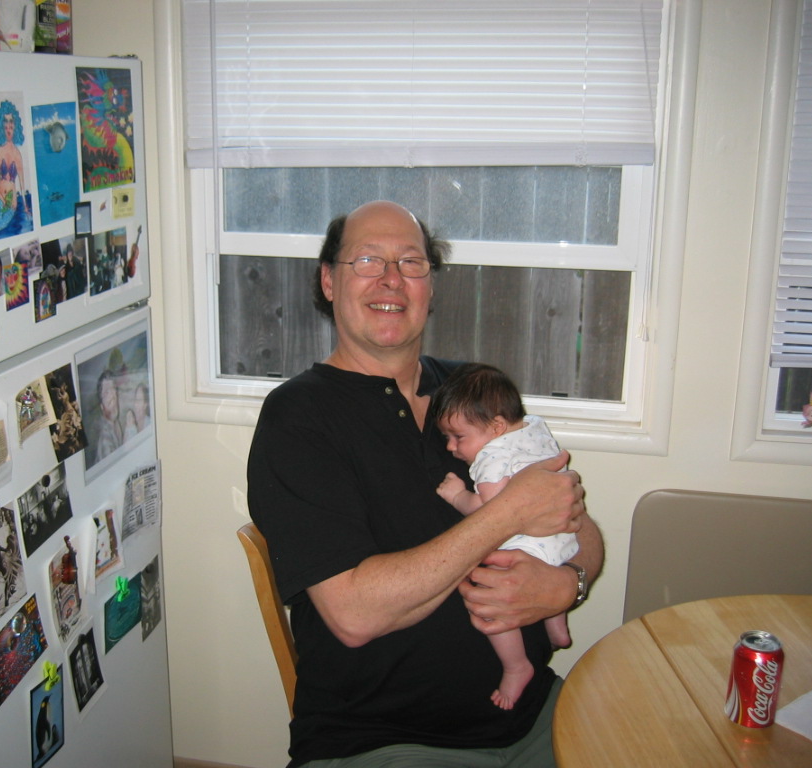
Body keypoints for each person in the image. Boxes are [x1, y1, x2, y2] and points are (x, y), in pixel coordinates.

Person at [247, 200, 602, 768]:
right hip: (382, 741)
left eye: (411, 263)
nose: (391, 279)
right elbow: (355, 614)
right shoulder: (298, 417)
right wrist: (507, 516)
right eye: (368, 260)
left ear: (430, 287)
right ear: (329, 281)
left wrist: (569, 583)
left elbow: (573, 519)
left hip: (535, 713)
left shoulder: (474, 392)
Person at [430, 363, 579, 710]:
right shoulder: (534, 427)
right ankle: (557, 627)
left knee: (490, 605)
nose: (451, 447)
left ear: (496, 426)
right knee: (549, 571)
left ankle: (516, 666)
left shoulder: (492, 456)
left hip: (528, 544)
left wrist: (457, 495)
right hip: (561, 539)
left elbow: (493, 512)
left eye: (458, 437)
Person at [0, 100, 29, 217]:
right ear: (1, 128)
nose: (8, 129)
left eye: (11, 125)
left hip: (12, 206)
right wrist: (3, 201)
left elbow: (22, 185)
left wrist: (25, 206)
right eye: (6, 126)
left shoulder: (17, 154)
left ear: (15, 127)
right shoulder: (0, 151)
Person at [94, 368, 123, 462]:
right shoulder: (105, 440)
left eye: (113, 389)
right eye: (107, 392)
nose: (113, 396)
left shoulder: (116, 424)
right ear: (101, 406)